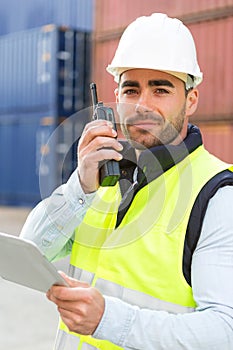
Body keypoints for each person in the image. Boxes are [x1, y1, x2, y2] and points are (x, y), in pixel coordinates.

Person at [21, 13, 233, 350]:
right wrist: (80, 186)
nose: (141, 106)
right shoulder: (101, 176)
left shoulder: (217, 195)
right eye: (131, 89)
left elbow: (225, 331)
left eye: (160, 90)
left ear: (191, 100)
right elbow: (34, 249)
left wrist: (109, 321)